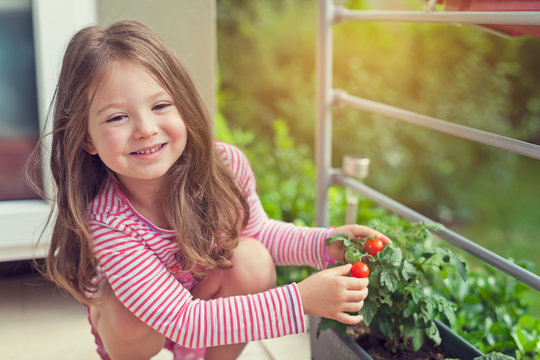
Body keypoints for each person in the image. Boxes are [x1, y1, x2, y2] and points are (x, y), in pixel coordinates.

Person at [29, 20, 391, 360]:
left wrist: (323, 245)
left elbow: (258, 233)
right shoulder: (108, 222)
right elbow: (182, 321)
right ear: (87, 139)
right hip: (143, 323)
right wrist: (301, 301)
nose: (145, 128)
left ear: (183, 107)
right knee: (127, 315)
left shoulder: (225, 166)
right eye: (117, 117)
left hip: (205, 294)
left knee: (252, 259)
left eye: (160, 105)